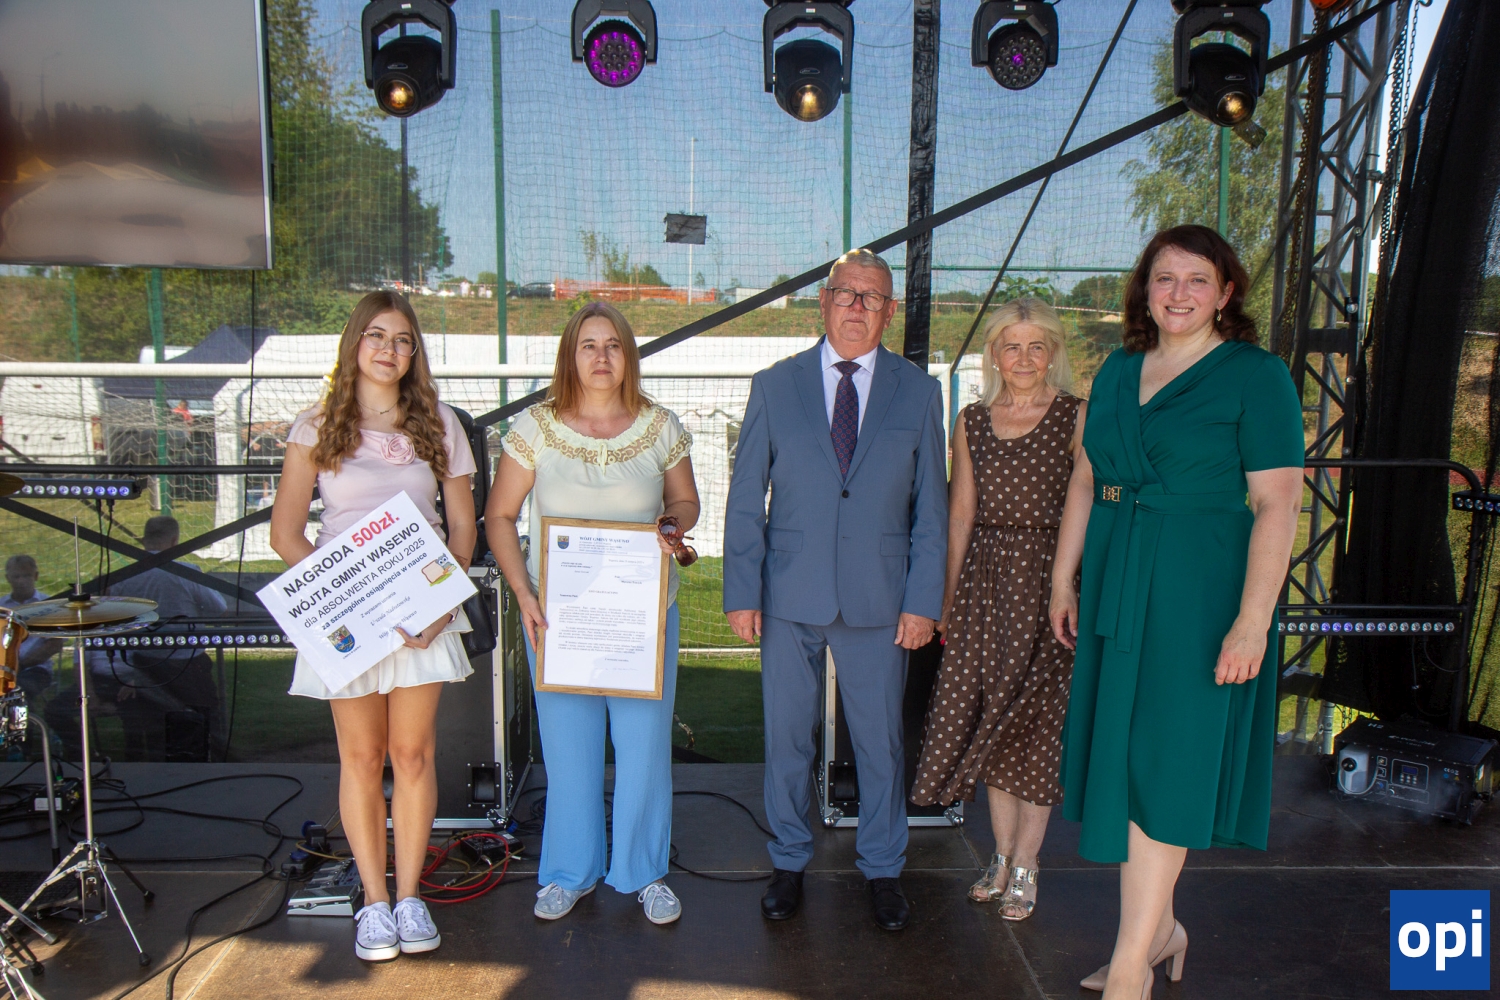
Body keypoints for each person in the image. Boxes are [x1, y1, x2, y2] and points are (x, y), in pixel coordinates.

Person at [1049, 226, 1303, 1000]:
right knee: (1130, 766)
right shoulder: (1119, 370)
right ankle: (1158, 932)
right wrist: (1063, 580)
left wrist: (1252, 621)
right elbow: (1087, 480)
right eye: (1165, 278)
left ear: (1227, 292)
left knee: (1168, 767)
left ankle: (1133, 964)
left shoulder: (1257, 376)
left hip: (1200, 595)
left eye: (1198, 279)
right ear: (1145, 290)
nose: (1180, 293)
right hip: (1119, 582)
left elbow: (1278, 503)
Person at [723, 248, 948, 932]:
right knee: (787, 739)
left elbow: (931, 510)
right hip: (788, 595)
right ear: (823, 302)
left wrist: (923, 601)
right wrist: (741, 590)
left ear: (889, 310)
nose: (857, 307)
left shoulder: (919, 392)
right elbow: (744, 497)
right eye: (846, 293)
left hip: (881, 600)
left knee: (880, 744)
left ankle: (882, 868)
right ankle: (788, 860)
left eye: (871, 297)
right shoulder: (775, 385)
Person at [270, 290, 477, 963]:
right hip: (348, 622)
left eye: (404, 339)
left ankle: (410, 897)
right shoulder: (315, 426)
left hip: (421, 615)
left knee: (412, 755)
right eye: (378, 336)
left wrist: (440, 604)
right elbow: (285, 534)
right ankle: (376, 902)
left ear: (415, 353)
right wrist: (342, 598)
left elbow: (463, 528)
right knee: (360, 758)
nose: (391, 349)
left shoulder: (439, 422)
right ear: (355, 342)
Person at [485, 301, 699, 927]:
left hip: (643, 616)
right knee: (569, 749)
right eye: (588, 345)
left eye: (613, 345)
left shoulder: (659, 426)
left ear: (628, 355)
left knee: (644, 748)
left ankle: (644, 872)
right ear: (570, 355)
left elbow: (686, 501)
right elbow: (499, 516)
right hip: (558, 619)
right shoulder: (535, 427)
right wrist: (524, 593)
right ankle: (569, 872)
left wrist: (671, 522)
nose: (601, 356)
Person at [909, 297, 1084, 920]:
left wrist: (1065, 584)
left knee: (1036, 730)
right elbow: (960, 515)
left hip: (1049, 586)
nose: (1025, 358)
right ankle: (1001, 856)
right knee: (991, 723)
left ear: (1053, 353)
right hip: (985, 586)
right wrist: (947, 596)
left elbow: (1084, 503)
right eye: (1013, 346)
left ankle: (1028, 862)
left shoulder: (1076, 416)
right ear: (995, 354)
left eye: (1037, 346)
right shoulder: (973, 421)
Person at [104, 516, 226, 760]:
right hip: (187, 663)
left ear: (144, 539)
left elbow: (112, 616)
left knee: (156, 725)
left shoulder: (125, 575)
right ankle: (205, 763)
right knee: (204, 718)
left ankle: (159, 766)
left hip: (143, 662)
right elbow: (219, 607)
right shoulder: (186, 573)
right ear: (175, 540)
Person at [1, 555, 64, 704]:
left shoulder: (48, 606)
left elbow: (54, 644)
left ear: (36, 576)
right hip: (3, 667)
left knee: (17, 689)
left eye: (26, 576)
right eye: (16, 577)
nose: (21, 581)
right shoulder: (2, 607)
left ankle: (24, 719)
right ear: (8, 578)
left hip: (35, 669)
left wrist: (21, 665)